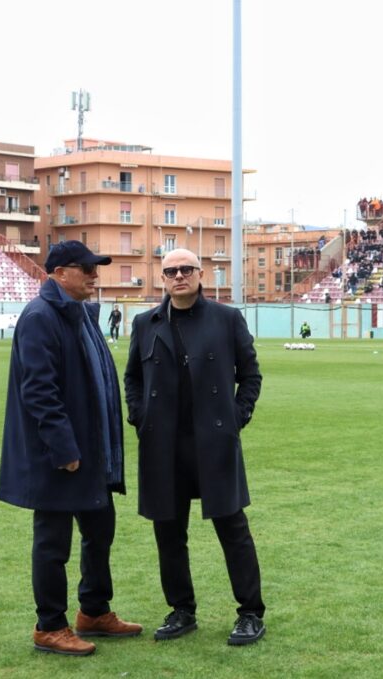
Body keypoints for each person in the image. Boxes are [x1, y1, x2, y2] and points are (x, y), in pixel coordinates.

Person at [0, 240, 141, 657]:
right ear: (60, 273)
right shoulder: (41, 316)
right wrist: (64, 448)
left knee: (100, 532)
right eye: (87, 269)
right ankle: (50, 625)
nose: (95, 276)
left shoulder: (79, 313)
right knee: (53, 542)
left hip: (92, 452)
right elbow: (40, 392)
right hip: (61, 457)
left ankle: (94, 610)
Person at [125, 248, 266, 647]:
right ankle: (182, 610)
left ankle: (251, 613)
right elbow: (132, 377)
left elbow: (251, 374)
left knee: (233, 529)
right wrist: (140, 417)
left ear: (201, 274)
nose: (179, 276)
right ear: (162, 278)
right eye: (171, 271)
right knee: (168, 533)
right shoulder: (145, 322)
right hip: (163, 446)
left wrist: (235, 420)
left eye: (187, 269)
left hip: (213, 442)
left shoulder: (226, 319)